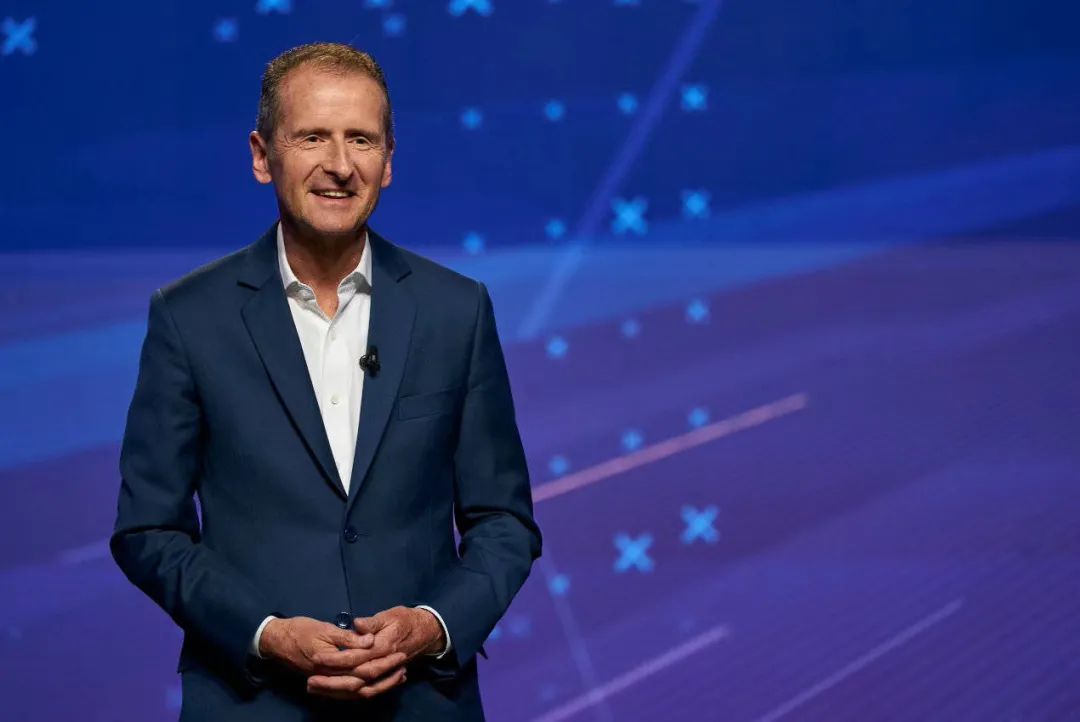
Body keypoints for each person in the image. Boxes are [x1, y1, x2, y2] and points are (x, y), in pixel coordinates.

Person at [110, 42, 542, 721]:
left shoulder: (456, 311)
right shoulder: (188, 318)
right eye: (312, 137)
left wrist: (433, 625)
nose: (340, 164)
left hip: (420, 705)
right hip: (252, 704)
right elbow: (148, 531)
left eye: (361, 140)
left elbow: (504, 521)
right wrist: (266, 633)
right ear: (262, 156)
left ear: (388, 161)